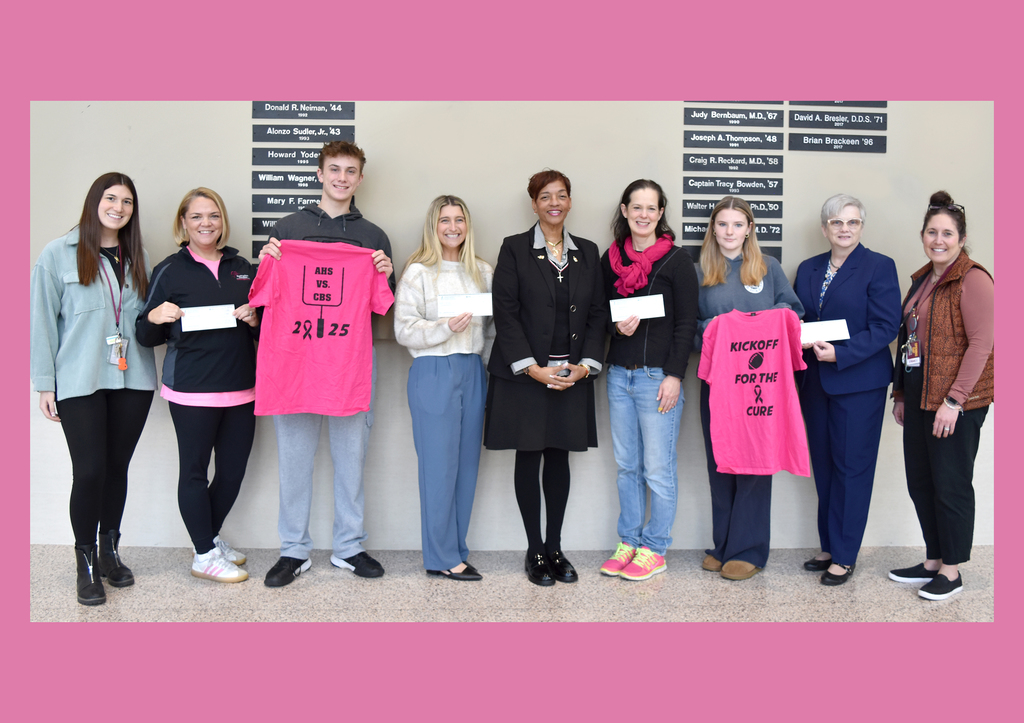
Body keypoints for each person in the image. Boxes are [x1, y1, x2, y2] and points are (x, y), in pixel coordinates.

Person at [255, 140, 395, 587]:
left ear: (360, 178)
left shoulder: (373, 237)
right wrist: (267, 264)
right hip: (294, 362)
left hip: (349, 363)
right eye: (334, 169)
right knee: (294, 461)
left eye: (350, 171)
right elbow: (264, 296)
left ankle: (349, 546)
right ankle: (293, 550)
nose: (341, 178)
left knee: (351, 460)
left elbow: (382, 305)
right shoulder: (288, 228)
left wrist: (384, 272)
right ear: (319, 173)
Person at [30, 172, 157, 606]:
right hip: (79, 379)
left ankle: (109, 552)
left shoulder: (137, 257)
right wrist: (44, 384)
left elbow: (144, 319)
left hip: (132, 378)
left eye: (127, 202)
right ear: (94, 202)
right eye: (111, 198)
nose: (119, 208)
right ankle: (84, 563)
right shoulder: (57, 254)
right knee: (89, 471)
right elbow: (42, 322)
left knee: (117, 468)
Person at [485, 169, 607, 586]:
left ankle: (555, 548)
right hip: (527, 376)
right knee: (529, 456)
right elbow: (505, 312)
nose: (554, 203)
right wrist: (532, 368)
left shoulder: (588, 251)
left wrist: (586, 366)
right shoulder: (514, 248)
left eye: (561, 195)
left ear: (569, 201)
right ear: (534, 204)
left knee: (559, 458)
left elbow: (597, 314)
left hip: (571, 374)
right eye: (545, 197)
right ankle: (534, 550)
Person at [136, 188, 260, 583]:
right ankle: (204, 554)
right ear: (183, 223)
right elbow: (144, 336)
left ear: (222, 221)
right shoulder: (170, 270)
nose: (206, 223)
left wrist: (256, 320)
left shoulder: (243, 268)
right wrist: (155, 316)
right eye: (197, 217)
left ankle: (208, 539)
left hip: (242, 388)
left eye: (213, 216)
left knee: (232, 473)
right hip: (191, 390)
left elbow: (268, 332)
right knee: (193, 472)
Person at [889, 191, 993, 601]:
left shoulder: (973, 279)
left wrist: (955, 401)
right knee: (921, 481)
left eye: (947, 233)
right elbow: (908, 340)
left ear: (961, 239)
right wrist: (900, 392)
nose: (939, 240)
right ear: (922, 235)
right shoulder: (923, 279)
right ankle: (933, 560)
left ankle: (951, 571)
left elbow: (982, 344)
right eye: (932, 232)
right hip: (919, 396)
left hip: (954, 401)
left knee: (951, 484)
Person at [794, 194, 902, 585]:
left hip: (859, 383)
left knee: (852, 469)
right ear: (825, 228)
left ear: (861, 227)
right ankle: (829, 546)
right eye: (837, 222)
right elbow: (799, 318)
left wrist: (840, 353)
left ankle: (845, 555)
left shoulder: (879, 266)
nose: (845, 229)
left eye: (852, 222)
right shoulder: (808, 268)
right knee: (824, 467)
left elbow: (886, 327)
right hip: (815, 382)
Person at [695, 196, 804, 581]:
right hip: (718, 384)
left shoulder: (768, 267)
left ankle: (749, 550)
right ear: (713, 229)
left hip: (761, 385)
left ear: (749, 229)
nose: (730, 231)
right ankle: (723, 545)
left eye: (737, 224)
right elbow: (687, 327)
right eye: (722, 224)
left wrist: (759, 321)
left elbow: (794, 314)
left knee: (755, 462)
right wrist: (715, 328)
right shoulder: (699, 271)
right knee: (721, 462)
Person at [599, 180, 698, 581]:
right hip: (619, 377)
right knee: (627, 467)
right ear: (625, 211)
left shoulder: (676, 260)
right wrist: (615, 327)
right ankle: (629, 541)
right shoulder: (611, 260)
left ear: (660, 214)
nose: (643, 215)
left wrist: (674, 376)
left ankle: (655, 548)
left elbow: (686, 323)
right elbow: (600, 313)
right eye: (636, 207)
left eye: (651, 208)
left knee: (658, 469)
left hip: (658, 378)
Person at [394, 195, 493, 581]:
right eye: (444, 220)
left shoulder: (482, 271)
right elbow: (403, 329)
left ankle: (456, 550)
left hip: (473, 369)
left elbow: (492, 329)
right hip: (433, 370)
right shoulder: (419, 273)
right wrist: (444, 328)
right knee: (438, 468)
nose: (453, 227)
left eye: (459, 220)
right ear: (433, 227)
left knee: (467, 467)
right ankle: (440, 556)